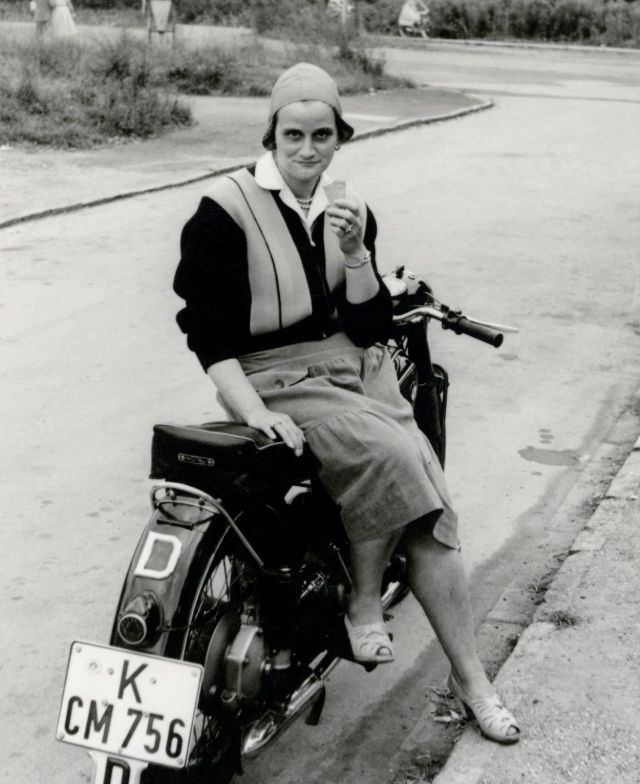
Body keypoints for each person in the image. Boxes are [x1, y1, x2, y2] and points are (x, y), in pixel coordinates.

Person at [173, 63, 520, 744]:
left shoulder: (347, 213)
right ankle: (365, 602)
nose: (307, 149)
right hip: (272, 380)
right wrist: (253, 411)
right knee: (398, 455)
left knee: (429, 504)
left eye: (322, 136)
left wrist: (357, 251)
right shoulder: (224, 209)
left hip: (352, 368)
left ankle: (470, 675)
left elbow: (366, 326)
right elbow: (207, 334)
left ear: (340, 139)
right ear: (271, 135)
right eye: (293, 135)